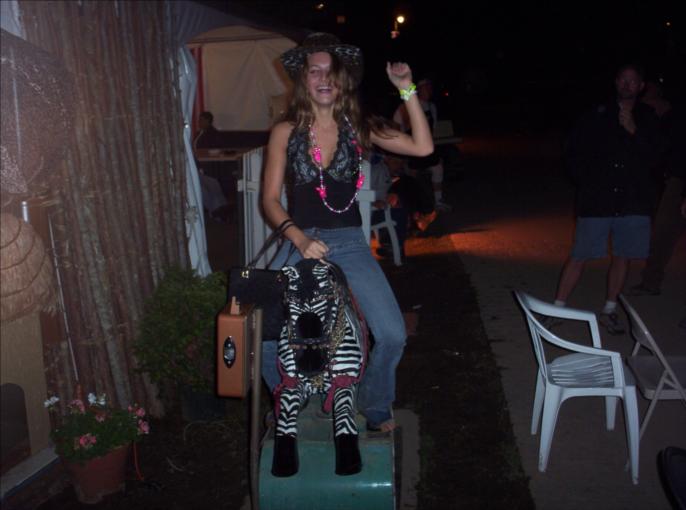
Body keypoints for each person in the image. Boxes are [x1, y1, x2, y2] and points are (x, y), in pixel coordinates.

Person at [261, 33, 433, 432]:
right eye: (315, 71)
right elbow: (269, 200)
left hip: (350, 242)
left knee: (392, 334)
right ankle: (286, 399)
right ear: (303, 80)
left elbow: (423, 148)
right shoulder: (285, 131)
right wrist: (300, 239)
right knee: (264, 333)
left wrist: (407, 89)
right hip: (300, 239)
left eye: (331, 72)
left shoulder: (359, 128)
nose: (324, 78)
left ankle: (375, 403)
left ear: (342, 81)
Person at [549, 63, 661, 335]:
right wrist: (585, 180)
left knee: (623, 255)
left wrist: (634, 130)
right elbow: (573, 149)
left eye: (633, 81)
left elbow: (657, 159)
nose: (627, 84)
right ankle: (557, 309)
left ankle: (609, 310)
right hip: (597, 200)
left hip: (633, 201)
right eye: (623, 79)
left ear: (641, 86)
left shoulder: (648, 117)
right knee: (580, 254)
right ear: (615, 82)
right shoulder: (596, 114)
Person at [628, 83, 686, 297]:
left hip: (680, 181)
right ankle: (650, 282)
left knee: (664, 230)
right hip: (673, 180)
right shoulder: (663, 121)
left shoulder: (677, 117)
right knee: (662, 234)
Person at [393, 78, 452, 212]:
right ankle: (414, 206)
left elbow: (432, 130)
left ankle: (438, 201)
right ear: (418, 89)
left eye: (430, 87)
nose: (430, 90)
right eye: (426, 87)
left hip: (425, 147)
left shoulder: (431, 107)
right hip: (411, 148)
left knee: (437, 167)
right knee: (412, 176)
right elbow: (396, 127)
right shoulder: (405, 106)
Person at [192, 111, 230, 222]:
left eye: (201, 120)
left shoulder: (213, 134)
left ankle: (220, 210)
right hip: (198, 166)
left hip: (208, 167)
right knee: (204, 189)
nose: (199, 122)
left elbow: (217, 150)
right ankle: (218, 211)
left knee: (212, 186)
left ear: (208, 121)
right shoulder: (199, 133)